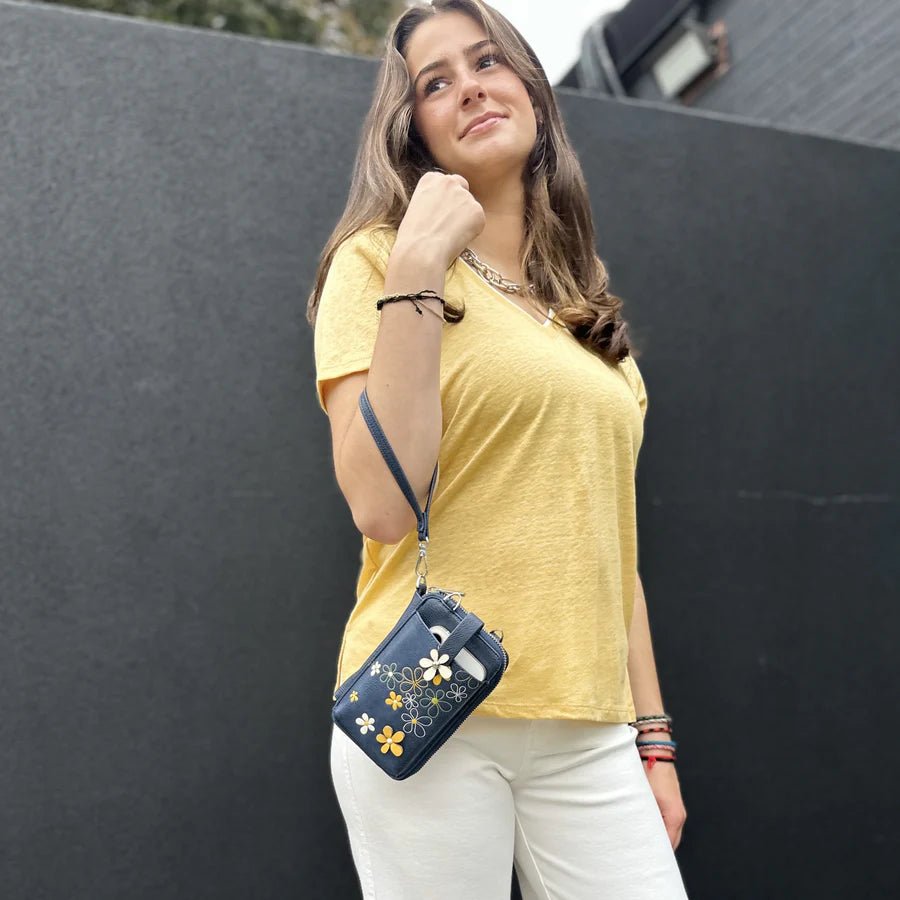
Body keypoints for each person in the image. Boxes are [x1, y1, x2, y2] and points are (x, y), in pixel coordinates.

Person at [307, 1, 689, 897]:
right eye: (435, 82)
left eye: (487, 62)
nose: (469, 86)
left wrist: (655, 736)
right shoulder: (375, 261)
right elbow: (380, 505)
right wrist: (415, 270)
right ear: (415, 131)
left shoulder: (582, 310)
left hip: (591, 728)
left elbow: (613, 545)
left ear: (533, 91)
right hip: (433, 702)